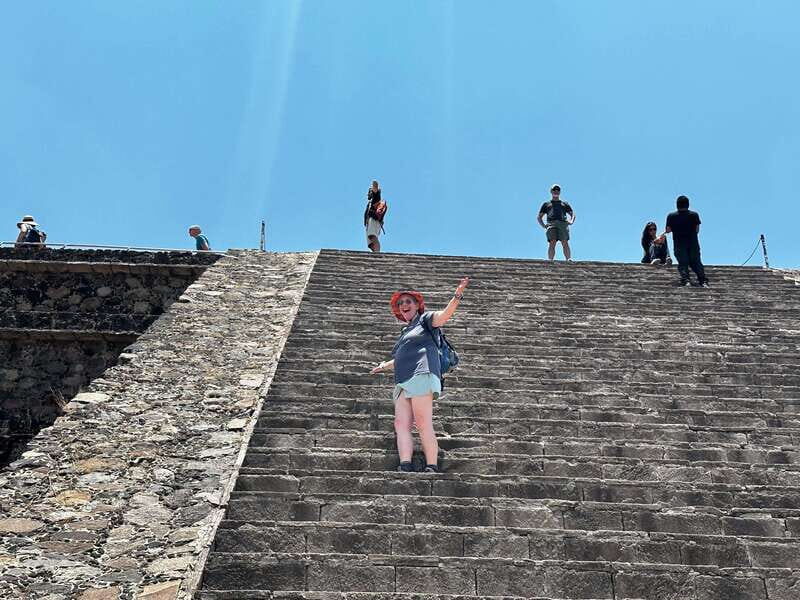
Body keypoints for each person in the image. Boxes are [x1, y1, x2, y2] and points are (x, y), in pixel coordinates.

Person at [370, 277, 470, 473]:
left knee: (423, 422)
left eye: (408, 301)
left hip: (422, 373)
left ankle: (431, 465)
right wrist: (383, 366)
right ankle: (405, 464)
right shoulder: (406, 330)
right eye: (401, 303)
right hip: (402, 379)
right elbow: (401, 357)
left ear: (417, 305)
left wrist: (457, 295)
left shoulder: (425, 320)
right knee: (401, 423)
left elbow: (444, 316)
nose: (404, 305)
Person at [660, 195, 708, 287]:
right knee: (696, 262)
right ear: (688, 204)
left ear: (677, 205)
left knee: (683, 262)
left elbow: (668, 230)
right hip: (693, 242)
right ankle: (703, 281)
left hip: (679, 243)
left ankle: (686, 280)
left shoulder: (671, 216)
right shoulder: (694, 215)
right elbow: (697, 230)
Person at [537, 184, 575, 261]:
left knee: (564, 242)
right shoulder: (546, 204)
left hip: (563, 223)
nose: (556, 191)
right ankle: (550, 260)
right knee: (552, 242)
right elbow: (539, 217)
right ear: (551, 191)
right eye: (554, 190)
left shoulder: (564, 203)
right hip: (551, 223)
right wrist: (544, 225)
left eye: (558, 190)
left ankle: (568, 259)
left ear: (560, 192)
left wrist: (571, 221)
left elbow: (572, 214)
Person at [364, 180, 387, 253]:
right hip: (370, 221)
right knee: (371, 242)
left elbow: (375, 186)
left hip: (374, 220)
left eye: (369, 192)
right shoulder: (371, 201)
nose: (368, 194)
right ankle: (375, 252)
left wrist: (373, 186)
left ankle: (377, 253)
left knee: (373, 237)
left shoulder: (376, 196)